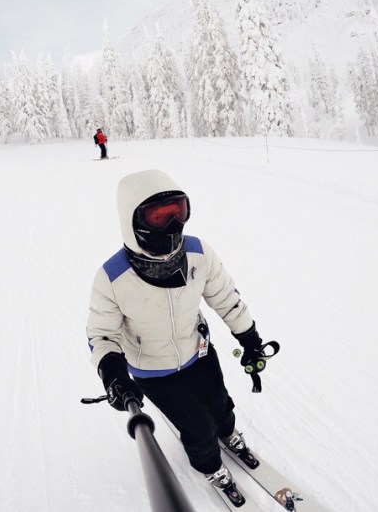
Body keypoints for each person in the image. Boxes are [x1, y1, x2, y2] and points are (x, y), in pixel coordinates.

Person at [86, 169, 268, 505]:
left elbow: (226, 297)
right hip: (153, 371)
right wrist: (113, 376)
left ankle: (228, 434)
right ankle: (210, 465)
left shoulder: (198, 253)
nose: (172, 226)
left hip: (198, 353)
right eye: (159, 217)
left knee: (220, 405)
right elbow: (102, 334)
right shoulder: (113, 277)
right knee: (197, 426)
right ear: (132, 221)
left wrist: (250, 337)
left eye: (177, 213)